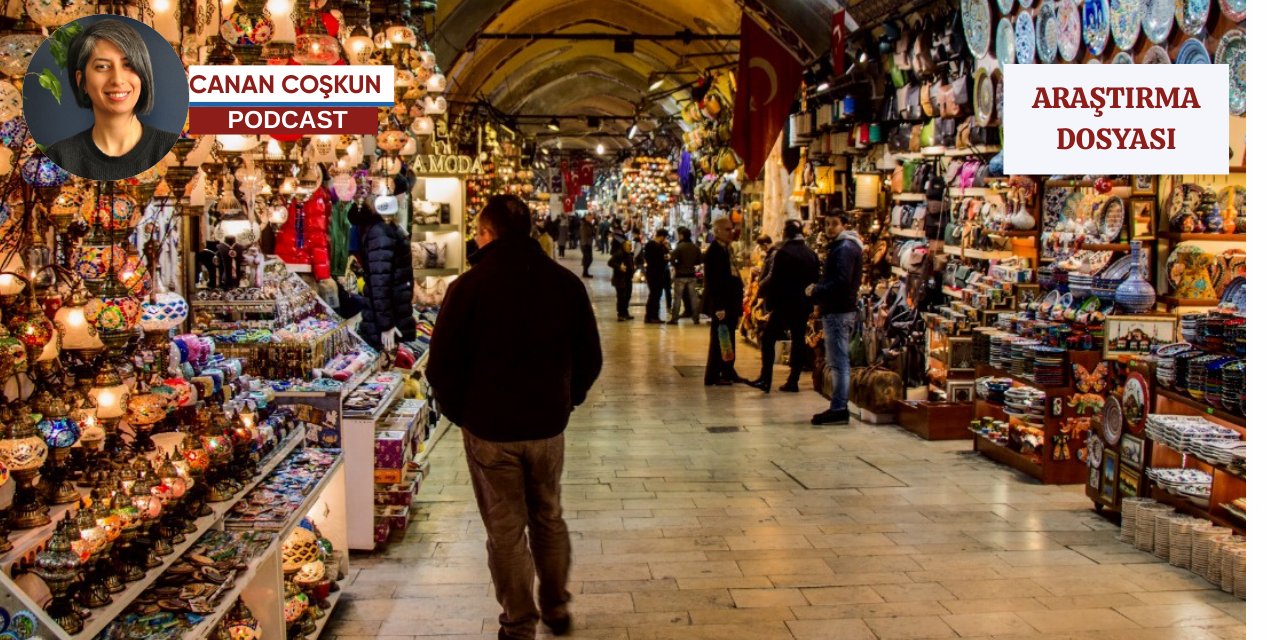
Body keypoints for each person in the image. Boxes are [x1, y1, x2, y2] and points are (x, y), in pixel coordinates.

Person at [426, 195, 602, 640]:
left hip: (490, 430)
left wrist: (462, 413)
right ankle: (556, 606)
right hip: (547, 426)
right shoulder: (564, 283)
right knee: (548, 517)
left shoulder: (468, 287)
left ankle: (520, 624)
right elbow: (591, 356)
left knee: (505, 530)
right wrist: (568, 400)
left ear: (487, 234)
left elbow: (440, 365)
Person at [45, 19, 179, 181]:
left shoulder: (175, 152)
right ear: (82, 81)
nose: (117, 79)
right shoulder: (59, 157)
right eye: (102, 66)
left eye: (129, 65)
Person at [748, 220, 819, 393]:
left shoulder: (783, 253)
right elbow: (815, 280)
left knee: (768, 338)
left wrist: (769, 303)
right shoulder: (811, 254)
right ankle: (793, 380)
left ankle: (766, 378)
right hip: (803, 304)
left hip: (785, 304)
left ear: (786, 234)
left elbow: (776, 280)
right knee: (798, 340)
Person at [806, 211, 864, 424]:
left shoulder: (844, 248)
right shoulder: (843, 246)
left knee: (839, 361)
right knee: (838, 360)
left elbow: (841, 281)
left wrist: (817, 290)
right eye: (827, 224)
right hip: (838, 309)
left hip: (838, 310)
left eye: (834, 224)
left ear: (844, 225)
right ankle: (838, 406)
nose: (829, 228)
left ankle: (839, 408)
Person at [351, 199, 417, 352]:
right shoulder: (381, 231)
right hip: (385, 323)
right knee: (386, 360)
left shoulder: (384, 228)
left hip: (391, 315)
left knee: (390, 360)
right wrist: (386, 325)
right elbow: (380, 282)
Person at [702, 216, 745, 386]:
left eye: (731, 228)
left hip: (730, 302)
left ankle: (728, 370)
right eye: (727, 229)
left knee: (728, 337)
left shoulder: (726, 249)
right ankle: (713, 375)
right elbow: (713, 281)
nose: (730, 232)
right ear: (717, 231)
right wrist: (718, 306)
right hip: (722, 303)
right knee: (719, 339)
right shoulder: (714, 252)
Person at [669, 226, 701, 324]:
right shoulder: (695, 247)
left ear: (682, 235)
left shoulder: (679, 247)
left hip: (680, 275)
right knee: (694, 298)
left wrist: (677, 265)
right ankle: (696, 318)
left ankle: (674, 318)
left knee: (677, 298)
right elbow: (699, 260)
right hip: (691, 275)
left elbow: (672, 259)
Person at [640, 229, 671, 323]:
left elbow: (665, 253)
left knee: (656, 295)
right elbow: (659, 259)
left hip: (656, 273)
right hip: (654, 274)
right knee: (654, 295)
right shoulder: (652, 245)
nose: (665, 240)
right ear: (661, 236)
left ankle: (652, 316)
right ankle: (651, 316)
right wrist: (665, 259)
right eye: (664, 238)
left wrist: (665, 247)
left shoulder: (657, 245)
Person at [607, 234, 635, 321]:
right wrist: (619, 267)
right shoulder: (619, 253)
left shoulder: (629, 254)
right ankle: (620, 314)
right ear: (624, 246)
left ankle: (625, 313)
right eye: (628, 246)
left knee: (627, 296)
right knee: (621, 297)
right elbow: (610, 262)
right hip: (620, 280)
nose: (630, 247)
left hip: (628, 279)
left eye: (631, 246)